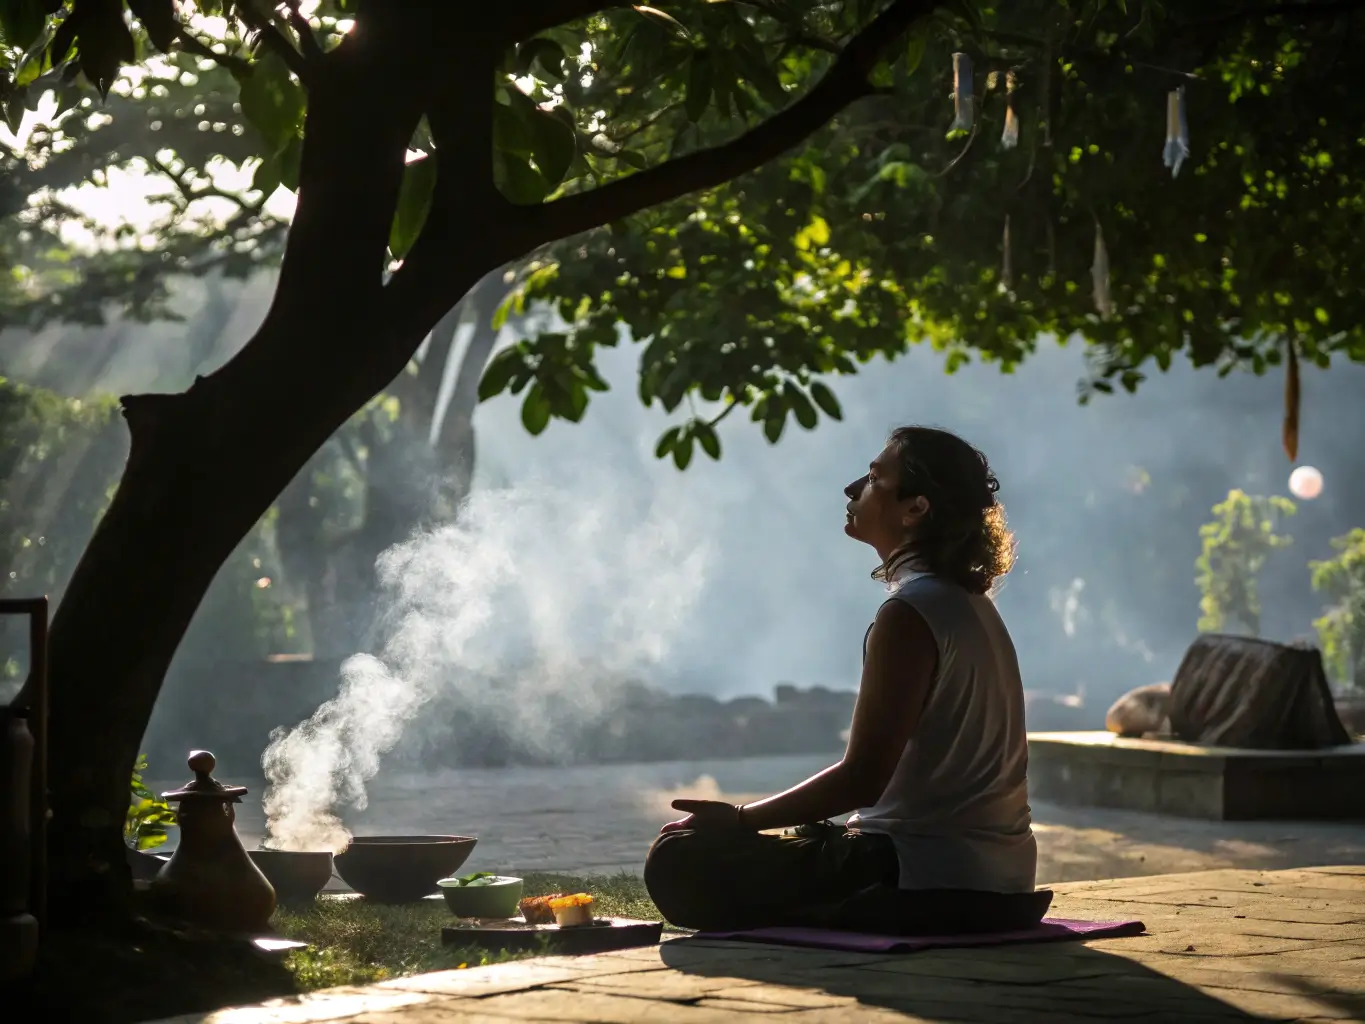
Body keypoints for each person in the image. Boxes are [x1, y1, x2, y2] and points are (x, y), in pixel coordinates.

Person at [643, 425, 1040, 934]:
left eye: (874, 478)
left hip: (925, 877)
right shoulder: (968, 603)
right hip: (1000, 881)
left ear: (915, 508)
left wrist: (740, 819)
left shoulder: (910, 613)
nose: (853, 489)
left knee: (679, 858)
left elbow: (862, 780)